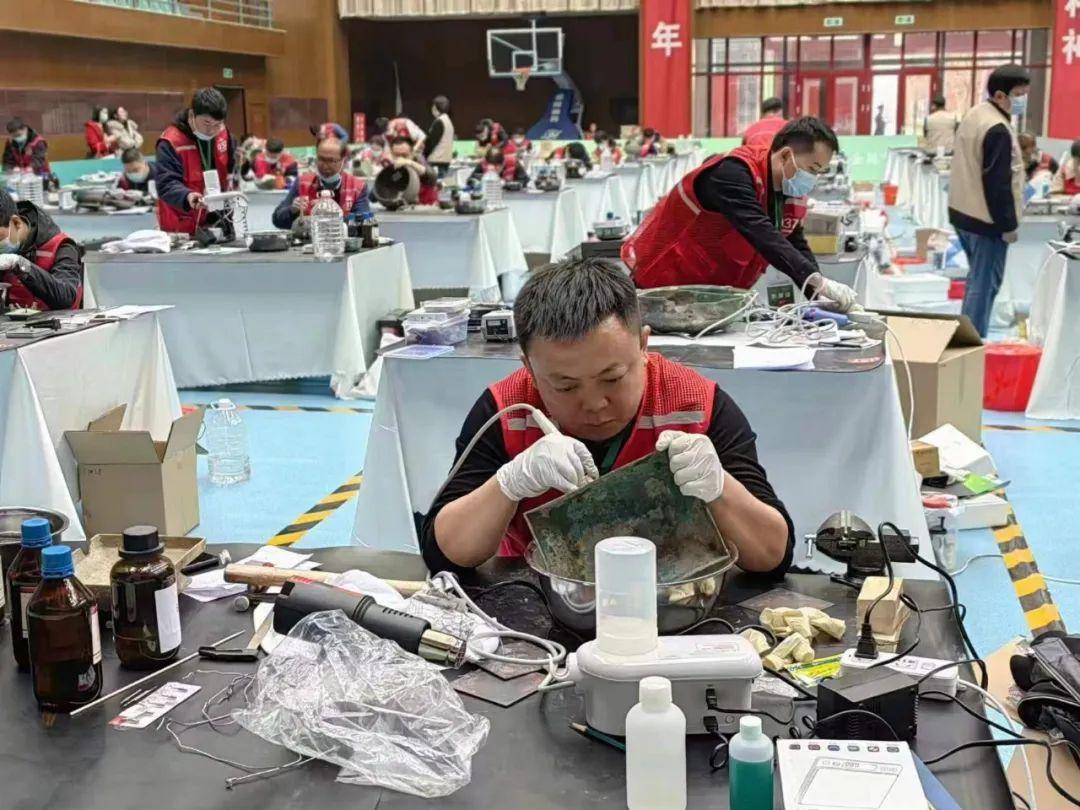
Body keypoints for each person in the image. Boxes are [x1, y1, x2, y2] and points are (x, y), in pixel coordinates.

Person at [420, 257, 794, 576]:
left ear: (643, 345)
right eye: (565, 386)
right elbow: (443, 555)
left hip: (676, 596)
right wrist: (510, 483)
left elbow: (773, 557)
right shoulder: (506, 411)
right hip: (540, 595)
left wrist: (720, 488)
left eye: (612, 378)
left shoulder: (697, 404)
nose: (595, 403)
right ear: (529, 367)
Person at [623, 117, 858, 311]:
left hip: (713, 300)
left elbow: (794, 241)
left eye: (820, 172)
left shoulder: (789, 192)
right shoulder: (733, 173)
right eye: (812, 169)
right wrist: (817, 281)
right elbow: (762, 233)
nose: (813, 179)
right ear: (786, 156)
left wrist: (817, 294)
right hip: (665, 289)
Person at [948, 64, 1030, 337]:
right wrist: (1008, 225)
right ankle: (970, 343)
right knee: (984, 286)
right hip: (986, 220)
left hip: (964, 211)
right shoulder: (996, 128)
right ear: (1000, 95)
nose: (1023, 100)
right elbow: (998, 184)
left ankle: (967, 339)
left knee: (977, 282)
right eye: (1019, 94)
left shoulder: (976, 114)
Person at [155, 87, 236, 235]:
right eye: (206, 123)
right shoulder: (171, 141)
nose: (211, 130)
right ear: (192, 115)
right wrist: (188, 196)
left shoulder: (224, 135)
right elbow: (166, 184)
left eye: (217, 124)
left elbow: (230, 169)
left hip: (220, 220)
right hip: (182, 225)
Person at [0, 189, 82, 311]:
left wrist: (20, 265)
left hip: (58, 321)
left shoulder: (62, 247)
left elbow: (65, 298)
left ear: (16, 223)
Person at [272, 137, 371, 230]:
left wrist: (332, 215)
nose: (324, 165)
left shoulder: (357, 187)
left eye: (331, 161)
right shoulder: (302, 182)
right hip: (308, 241)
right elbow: (277, 220)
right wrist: (292, 210)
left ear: (343, 161)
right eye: (321, 159)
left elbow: (363, 225)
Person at [385, 135, 439, 205]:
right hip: (403, 206)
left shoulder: (419, 160)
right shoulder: (396, 168)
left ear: (412, 152)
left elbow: (432, 176)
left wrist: (409, 162)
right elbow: (387, 183)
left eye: (404, 155)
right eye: (397, 155)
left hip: (425, 206)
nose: (401, 158)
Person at [423, 95, 455, 177]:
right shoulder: (448, 121)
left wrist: (423, 156)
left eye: (433, 106)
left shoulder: (439, 121)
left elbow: (431, 143)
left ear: (435, 107)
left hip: (436, 161)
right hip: (445, 161)